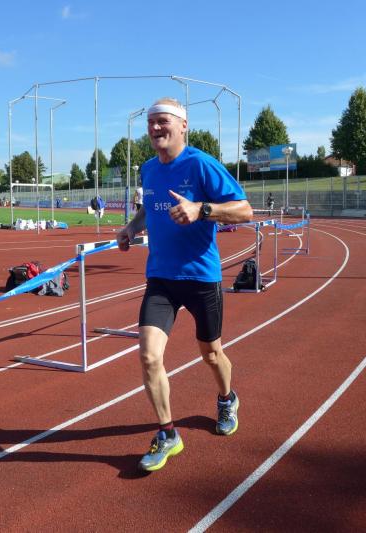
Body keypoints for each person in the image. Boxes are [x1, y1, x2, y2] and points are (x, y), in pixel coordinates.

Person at [116, 97, 253, 472]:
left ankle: (226, 398)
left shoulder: (201, 164)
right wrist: (132, 227)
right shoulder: (148, 169)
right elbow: (149, 207)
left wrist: (202, 209)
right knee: (148, 356)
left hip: (200, 278)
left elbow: (244, 210)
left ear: (183, 126)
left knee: (211, 354)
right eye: (151, 122)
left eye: (163, 121)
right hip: (161, 278)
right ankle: (167, 434)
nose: (155, 128)